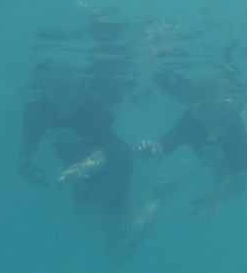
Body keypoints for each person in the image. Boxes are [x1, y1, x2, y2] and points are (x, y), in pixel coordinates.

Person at [19, 70, 160, 261]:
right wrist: (25, 165)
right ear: (45, 83)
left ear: (78, 83)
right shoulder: (37, 109)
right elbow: (26, 149)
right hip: (80, 173)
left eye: (68, 84)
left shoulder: (94, 106)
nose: (62, 92)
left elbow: (102, 153)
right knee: (86, 225)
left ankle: (158, 199)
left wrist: (77, 170)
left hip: (114, 168)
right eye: (56, 85)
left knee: (117, 253)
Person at [137, 72, 247, 219]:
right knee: (222, 173)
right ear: (194, 106)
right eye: (204, 108)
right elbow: (166, 144)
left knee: (243, 183)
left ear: (227, 104)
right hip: (216, 159)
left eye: (218, 106)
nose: (212, 114)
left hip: (239, 162)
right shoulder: (191, 120)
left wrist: (217, 196)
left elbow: (244, 168)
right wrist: (152, 149)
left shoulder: (233, 123)